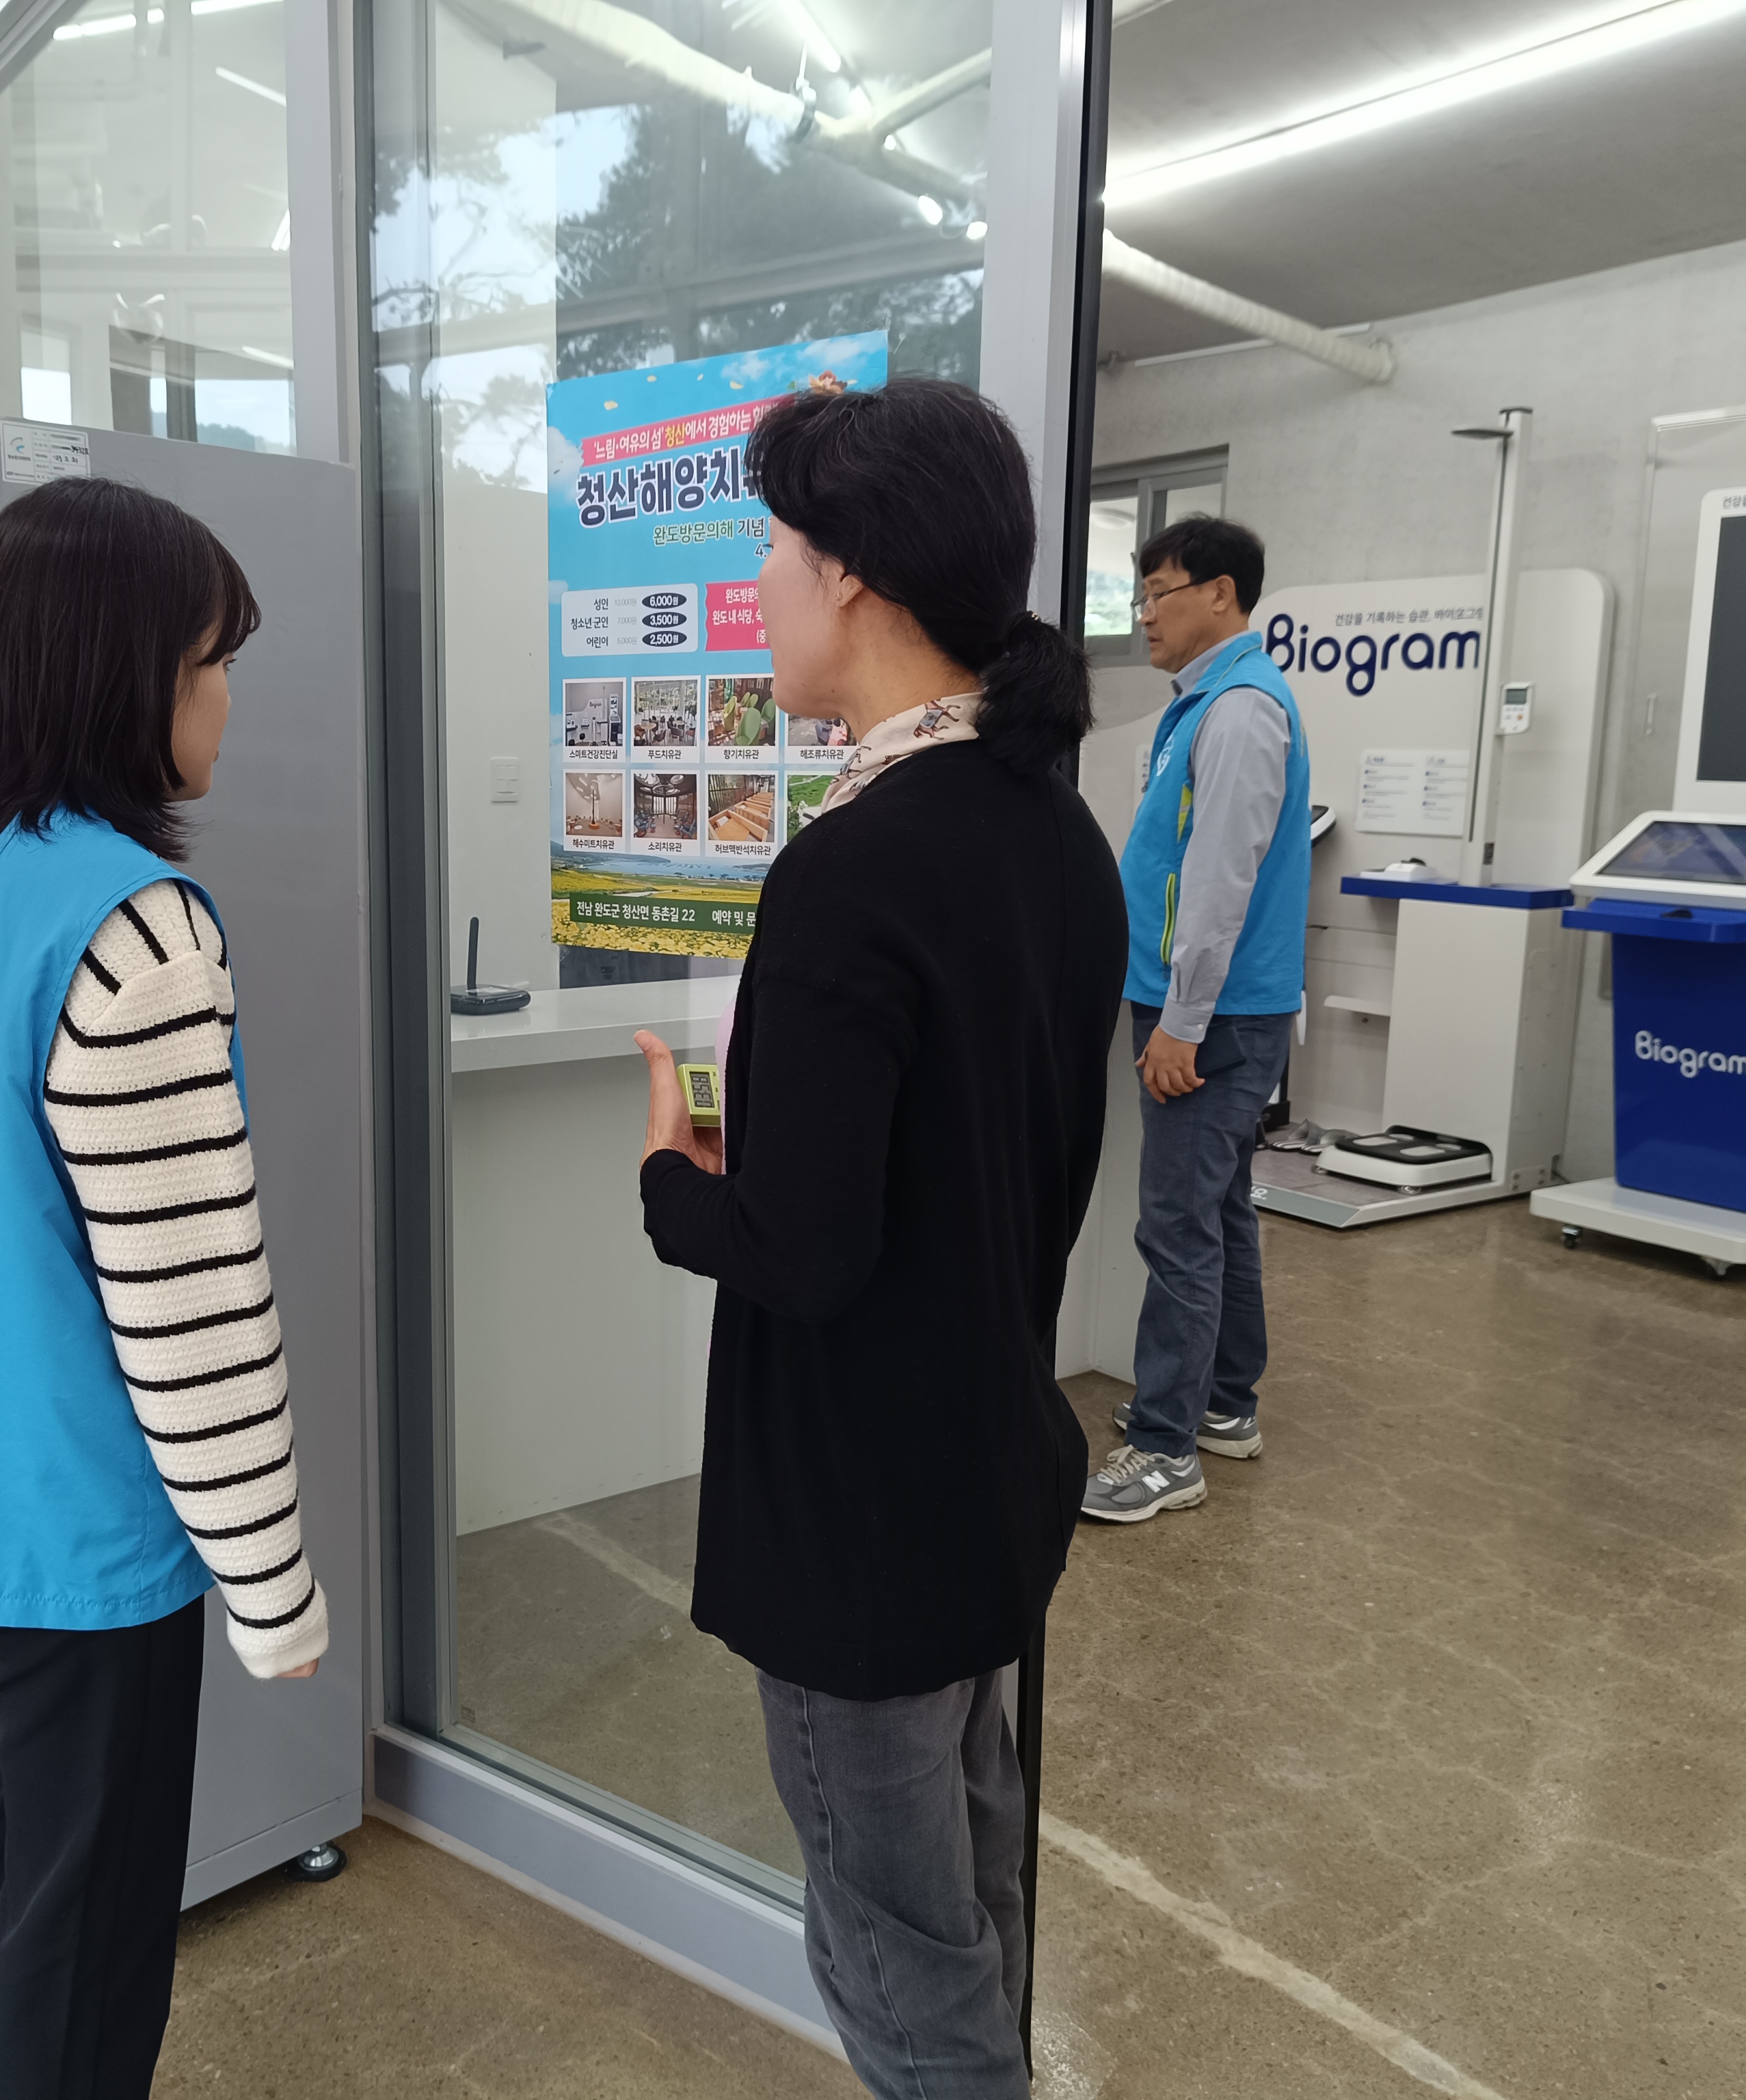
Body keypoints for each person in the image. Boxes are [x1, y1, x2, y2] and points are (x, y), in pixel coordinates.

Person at [0, 476, 327, 2099]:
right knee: (83, 1962)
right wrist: (272, 1585)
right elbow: (192, 1308)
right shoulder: (134, 936)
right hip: (78, 1530)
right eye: (207, 665)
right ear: (122, 677)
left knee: (1, 1891)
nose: (224, 701)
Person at [632, 376, 1125, 2099]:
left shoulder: (853, 865)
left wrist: (672, 1178)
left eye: (772, 545)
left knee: (896, 1962)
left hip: (858, 1517)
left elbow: (805, 1251)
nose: (756, 581)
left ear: (849, 571)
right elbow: (977, 1171)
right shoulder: (1052, 830)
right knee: (967, 1902)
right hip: (981, 1477)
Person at [1079, 515, 1311, 1525]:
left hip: (1211, 1017)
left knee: (1176, 1222)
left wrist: (1182, 1021)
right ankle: (1223, 1403)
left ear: (1220, 594)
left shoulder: (1242, 711)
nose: (1145, 616)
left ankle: (1166, 1449)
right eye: (1141, 596)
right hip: (1205, 1007)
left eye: (1159, 594)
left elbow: (1220, 881)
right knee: (1216, 1212)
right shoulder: (1204, 704)